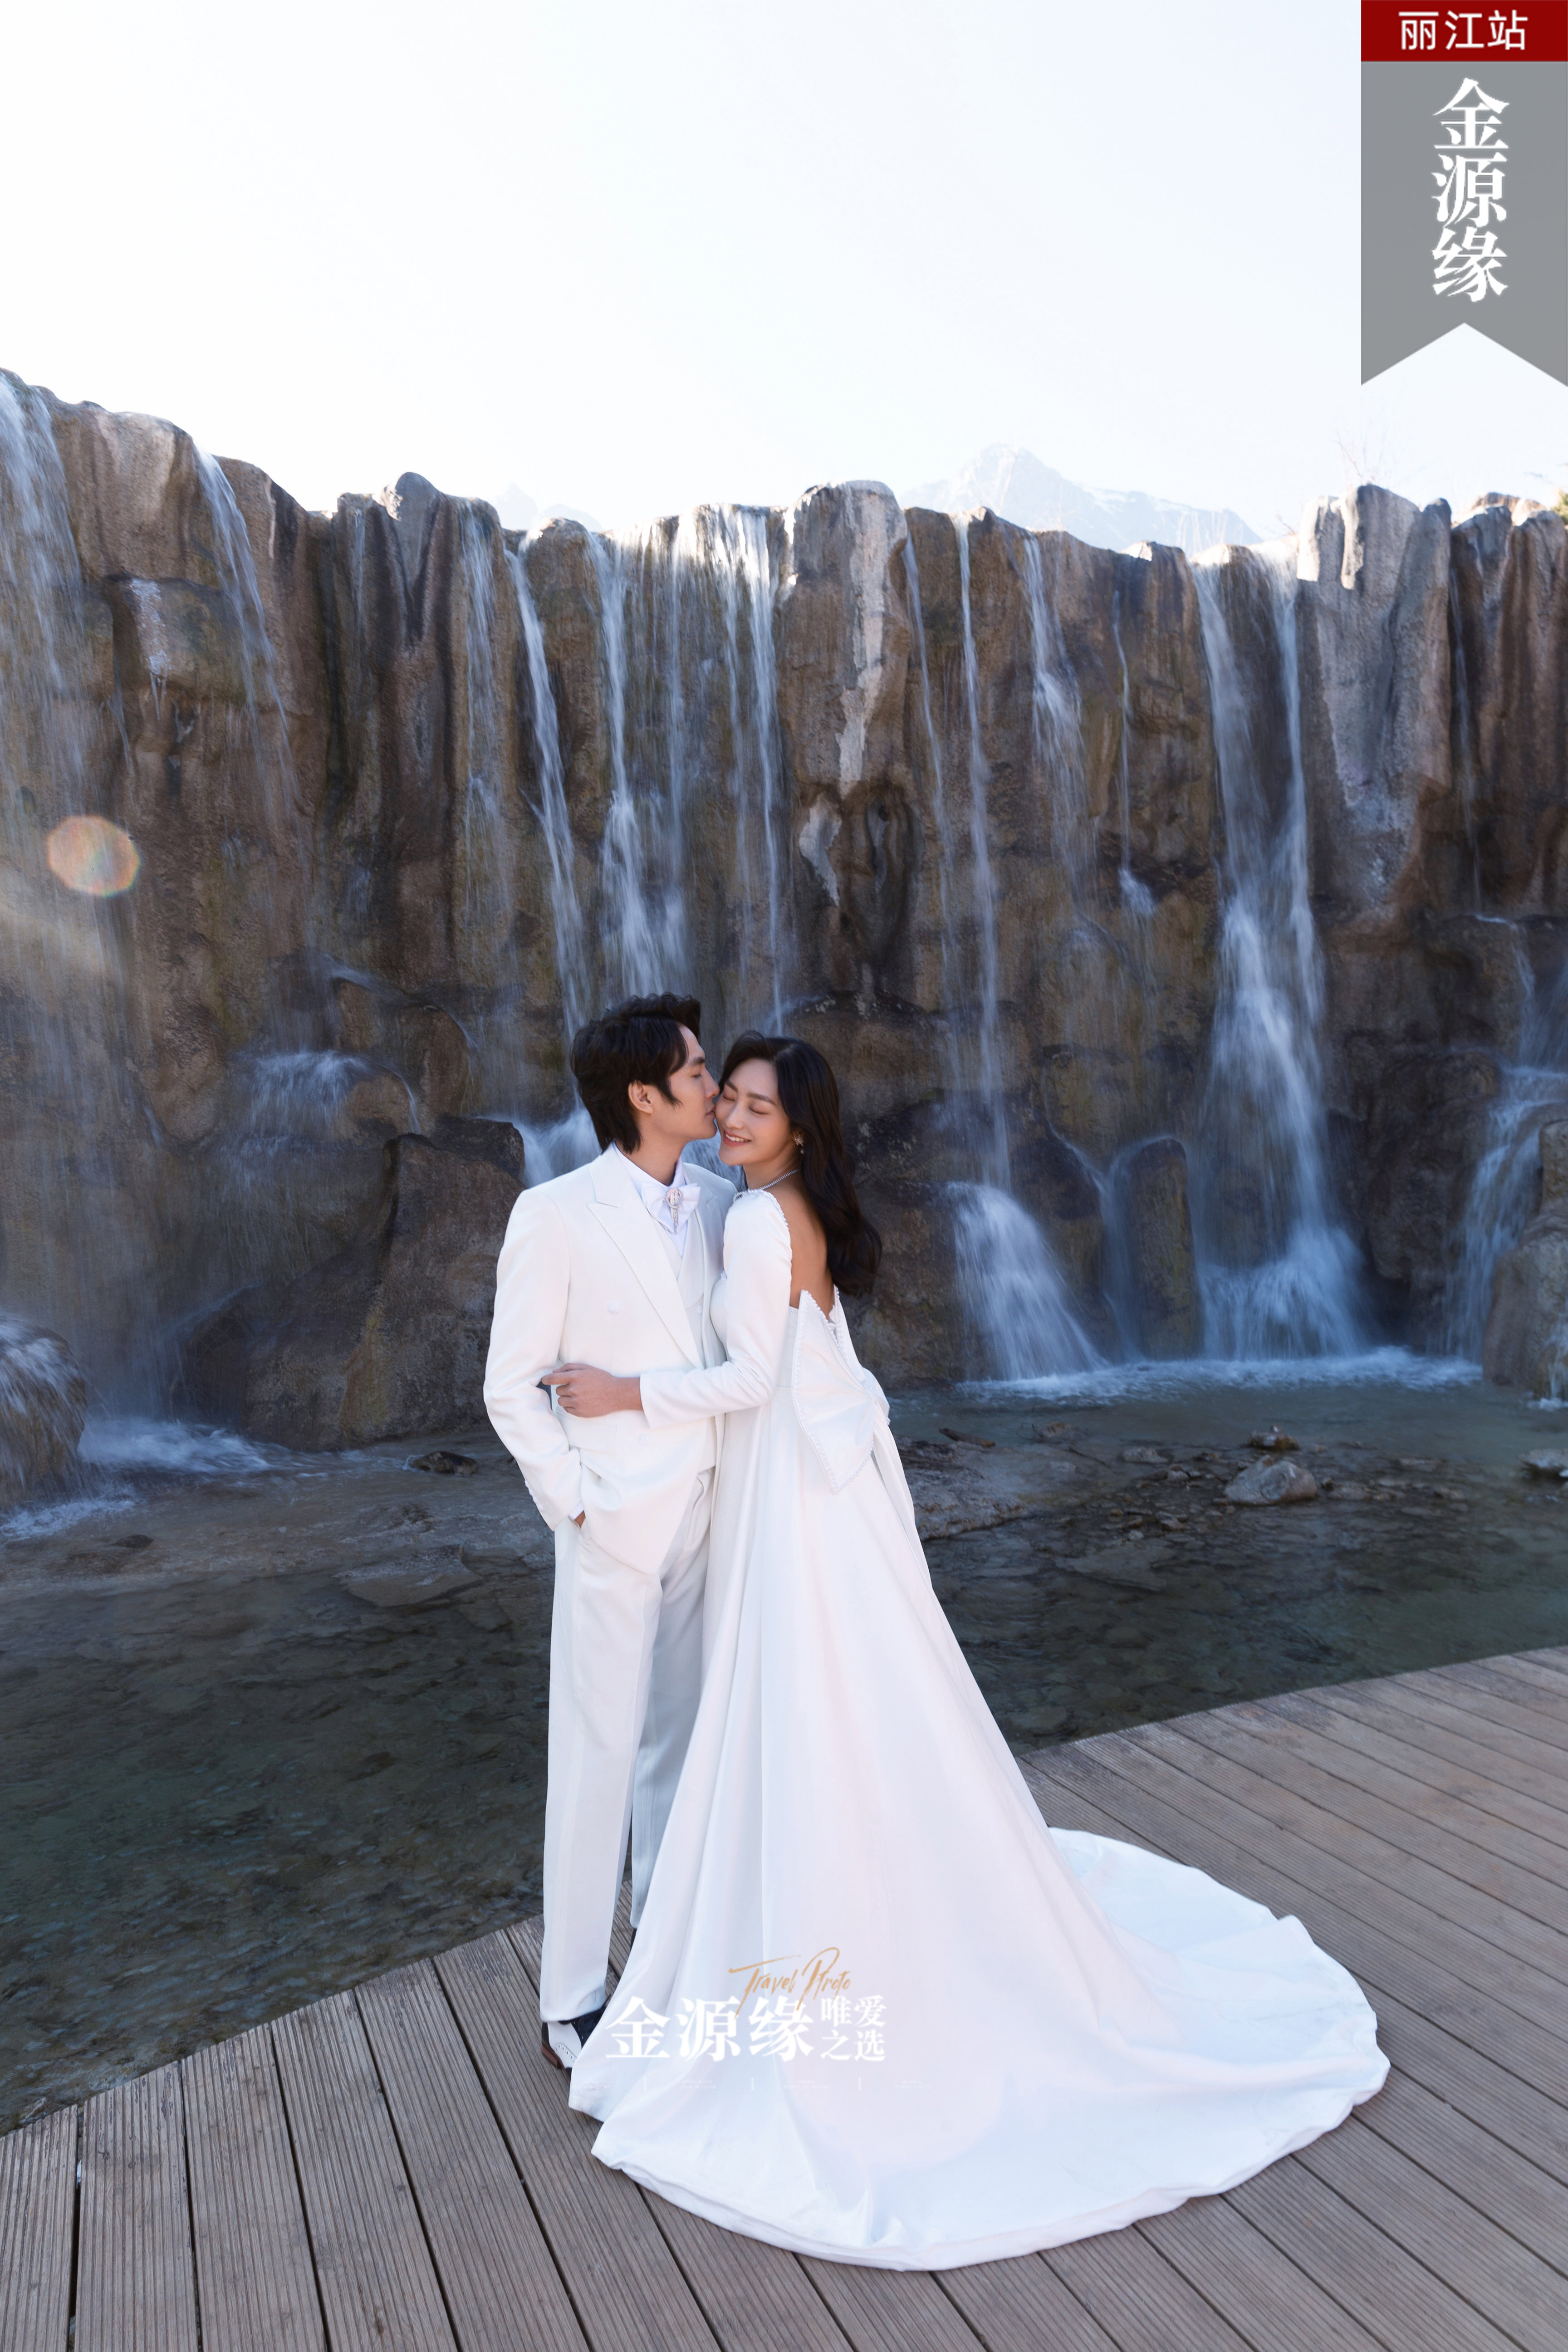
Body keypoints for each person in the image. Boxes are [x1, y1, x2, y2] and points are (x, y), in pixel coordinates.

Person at [553, 1030, 1389, 2269]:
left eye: (755, 1107)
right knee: (866, 1696)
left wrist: (620, 1393)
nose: (729, 1117)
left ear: (799, 1128)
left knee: (810, 1699)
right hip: (824, 1485)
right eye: (724, 1097)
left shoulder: (756, 1221)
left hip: (793, 1489)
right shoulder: (794, 1210)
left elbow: (749, 1381)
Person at [483, 993, 736, 2071]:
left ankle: (665, 1951)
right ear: (643, 1096)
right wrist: (575, 1501)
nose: (714, 1085)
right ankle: (573, 1996)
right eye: (695, 1072)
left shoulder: (723, 1204)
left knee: (679, 1743)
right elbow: (509, 1386)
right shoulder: (555, 1215)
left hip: (710, 1508)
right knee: (594, 1753)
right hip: (614, 1519)